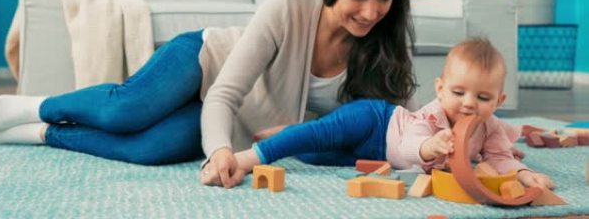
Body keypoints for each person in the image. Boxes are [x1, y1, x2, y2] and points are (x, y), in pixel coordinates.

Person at [0, 0, 417, 188]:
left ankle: (43, 133)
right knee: (129, 110)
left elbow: (402, 130)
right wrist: (218, 151)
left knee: (151, 149)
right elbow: (223, 92)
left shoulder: (388, 44)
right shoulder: (289, 8)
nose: (371, 12)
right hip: (206, 62)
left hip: (240, 119)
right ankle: (35, 105)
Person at [227, 38, 554, 190]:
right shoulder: (434, 115)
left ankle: (291, 131)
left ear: (499, 100)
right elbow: (413, 145)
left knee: (312, 156)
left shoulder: (491, 127)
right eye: (458, 92)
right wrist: (432, 147)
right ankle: (250, 157)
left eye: (483, 97)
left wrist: (524, 176)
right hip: (377, 121)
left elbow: (499, 159)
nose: (469, 104)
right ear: (440, 89)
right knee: (321, 134)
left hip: (378, 156)